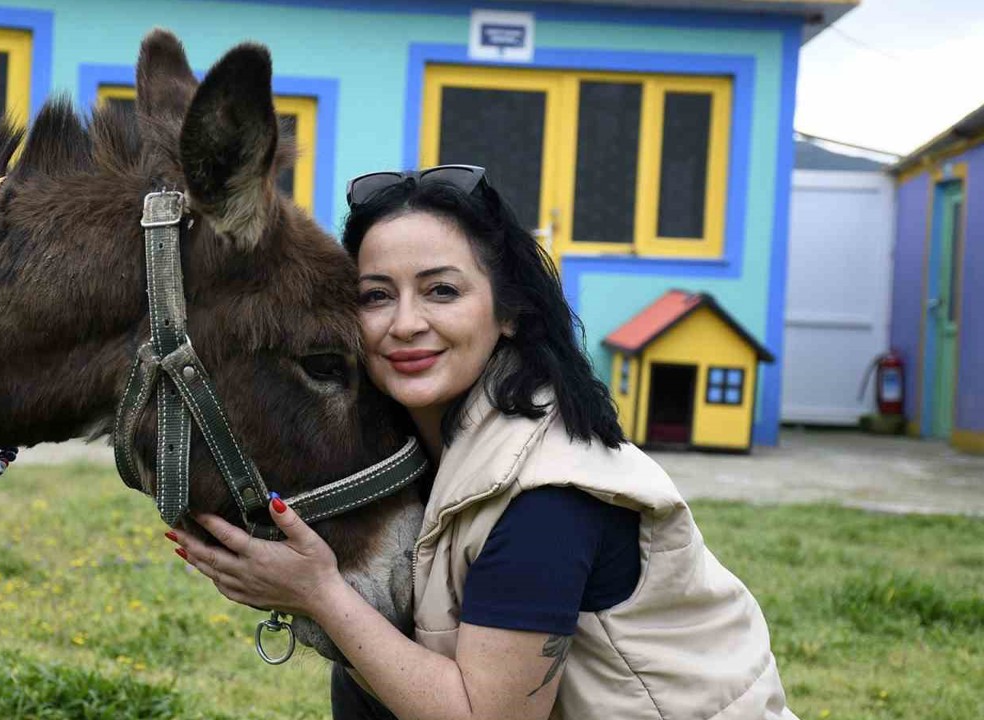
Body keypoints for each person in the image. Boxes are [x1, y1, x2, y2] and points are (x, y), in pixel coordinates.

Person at [170, 165, 797, 720]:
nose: (406, 324)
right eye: (375, 296)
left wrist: (318, 593)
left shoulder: (547, 494)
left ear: (509, 312)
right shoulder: (430, 445)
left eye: (442, 290)